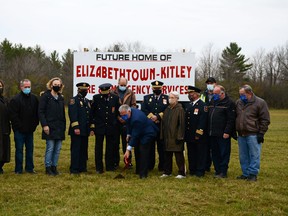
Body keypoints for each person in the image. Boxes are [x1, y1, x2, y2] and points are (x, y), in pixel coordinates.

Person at [235, 84, 270, 181]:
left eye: (243, 94)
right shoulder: (239, 102)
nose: (241, 96)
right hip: (241, 133)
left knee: (254, 154)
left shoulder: (260, 102)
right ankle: (245, 173)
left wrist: (261, 133)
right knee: (243, 155)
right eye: (240, 94)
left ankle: (253, 174)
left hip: (253, 133)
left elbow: (265, 119)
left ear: (249, 93)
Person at [9, 79, 39, 174]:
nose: (27, 88)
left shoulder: (34, 99)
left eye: (29, 87)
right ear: (21, 87)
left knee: (30, 150)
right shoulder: (15, 99)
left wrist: (34, 125)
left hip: (30, 130)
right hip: (19, 130)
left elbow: (36, 114)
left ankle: (29, 168)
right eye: (25, 87)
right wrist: (20, 127)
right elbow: (13, 116)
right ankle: (18, 169)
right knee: (19, 150)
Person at [121, 104, 158, 179]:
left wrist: (128, 149)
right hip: (139, 132)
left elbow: (135, 135)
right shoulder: (129, 113)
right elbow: (128, 123)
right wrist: (128, 134)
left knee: (143, 151)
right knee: (137, 150)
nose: (123, 117)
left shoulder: (136, 119)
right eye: (122, 115)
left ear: (128, 111)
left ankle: (143, 174)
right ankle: (138, 170)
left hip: (148, 133)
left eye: (124, 115)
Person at [38, 77, 66, 175]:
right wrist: (44, 125)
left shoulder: (61, 97)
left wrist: (63, 126)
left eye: (59, 85)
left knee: (57, 149)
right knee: (50, 147)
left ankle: (54, 166)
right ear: (51, 85)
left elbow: (63, 113)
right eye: (55, 84)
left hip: (59, 127)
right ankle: (48, 167)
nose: (57, 86)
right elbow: (41, 112)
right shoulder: (45, 97)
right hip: (49, 126)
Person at [90, 83, 120, 173]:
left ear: (109, 90)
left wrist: (116, 124)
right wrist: (92, 127)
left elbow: (117, 112)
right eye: (103, 92)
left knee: (110, 147)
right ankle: (99, 167)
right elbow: (92, 113)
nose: (104, 94)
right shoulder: (96, 98)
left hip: (111, 127)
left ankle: (109, 166)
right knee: (98, 148)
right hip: (99, 126)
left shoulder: (115, 98)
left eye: (106, 92)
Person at [208, 85, 236, 178]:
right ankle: (217, 170)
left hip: (223, 133)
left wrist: (227, 131)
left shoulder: (229, 103)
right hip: (212, 132)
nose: (214, 95)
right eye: (213, 93)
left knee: (223, 152)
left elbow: (231, 119)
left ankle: (223, 171)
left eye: (216, 94)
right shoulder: (213, 101)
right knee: (214, 152)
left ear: (222, 93)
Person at [141, 80, 169, 171]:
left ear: (162, 88)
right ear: (152, 88)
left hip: (161, 126)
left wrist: (158, 117)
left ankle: (163, 166)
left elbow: (167, 110)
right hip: (150, 126)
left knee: (162, 147)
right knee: (150, 147)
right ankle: (150, 165)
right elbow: (144, 110)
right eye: (155, 88)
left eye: (158, 88)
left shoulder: (167, 98)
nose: (157, 90)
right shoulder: (146, 98)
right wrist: (151, 117)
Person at [110, 77, 136, 168]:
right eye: (121, 85)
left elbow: (133, 105)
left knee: (127, 142)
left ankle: (128, 162)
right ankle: (115, 162)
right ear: (118, 83)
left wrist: (126, 117)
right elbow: (111, 107)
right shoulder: (112, 92)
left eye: (124, 85)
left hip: (127, 122)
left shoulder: (130, 93)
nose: (123, 86)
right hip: (116, 121)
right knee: (115, 143)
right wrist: (118, 117)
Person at [160, 91, 186, 179]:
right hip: (167, 136)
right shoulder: (167, 109)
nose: (170, 99)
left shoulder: (180, 109)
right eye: (169, 97)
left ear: (177, 99)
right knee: (167, 155)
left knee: (178, 155)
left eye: (172, 97)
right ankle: (167, 171)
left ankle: (181, 172)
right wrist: (162, 134)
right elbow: (163, 123)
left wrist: (180, 136)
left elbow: (181, 124)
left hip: (176, 136)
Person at [68, 82, 92, 174]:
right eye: (83, 90)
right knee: (76, 149)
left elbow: (88, 115)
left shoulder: (86, 101)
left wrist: (90, 128)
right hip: (77, 129)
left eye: (86, 90)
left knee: (83, 149)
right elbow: (73, 115)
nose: (85, 91)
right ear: (79, 90)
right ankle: (74, 168)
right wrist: (76, 127)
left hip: (85, 129)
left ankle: (82, 167)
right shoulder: (74, 100)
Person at [185, 86, 208, 177]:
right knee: (191, 152)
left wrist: (198, 133)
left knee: (200, 153)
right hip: (189, 134)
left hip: (199, 135)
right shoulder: (189, 105)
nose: (189, 95)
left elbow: (203, 121)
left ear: (196, 94)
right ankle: (192, 169)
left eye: (191, 93)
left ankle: (200, 170)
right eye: (189, 93)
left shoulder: (203, 105)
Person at [200, 77, 217, 172]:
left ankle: (216, 166)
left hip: (214, 124)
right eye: (208, 83)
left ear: (215, 83)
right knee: (205, 147)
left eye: (211, 83)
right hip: (205, 123)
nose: (209, 84)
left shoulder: (217, 94)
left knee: (214, 147)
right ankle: (206, 166)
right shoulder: (203, 95)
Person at [0, 80, 11, 174]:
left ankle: (1, 165)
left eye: (0, 86)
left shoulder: (5, 100)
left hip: (5, 127)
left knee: (4, 148)